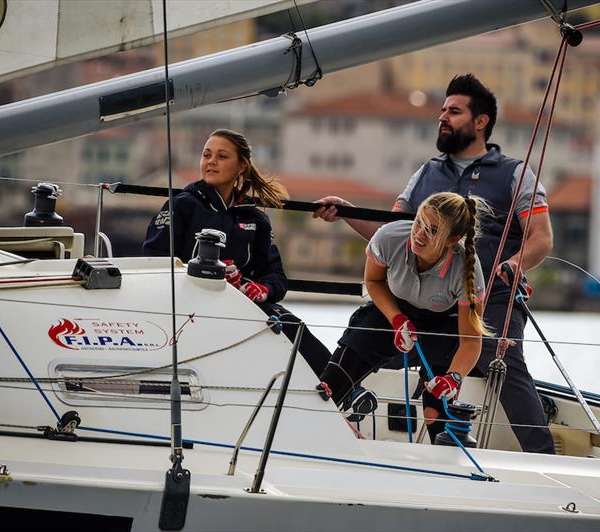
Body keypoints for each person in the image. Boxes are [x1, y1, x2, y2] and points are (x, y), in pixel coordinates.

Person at [313, 74, 556, 454]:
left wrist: (513, 264)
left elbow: (541, 236)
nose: (442, 117)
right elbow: (391, 234)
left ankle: (542, 455)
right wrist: (347, 212)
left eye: (454, 111)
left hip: (487, 296)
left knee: (501, 362)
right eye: (442, 110)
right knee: (375, 338)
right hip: (423, 297)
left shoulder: (515, 173)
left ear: (481, 122)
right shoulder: (426, 173)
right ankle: (350, 432)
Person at [142, 128, 333, 380]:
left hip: (242, 306)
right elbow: (154, 262)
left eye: (221, 156)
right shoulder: (182, 205)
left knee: (290, 325)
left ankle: (338, 389)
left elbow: (276, 277)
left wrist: (261, 290)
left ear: (241, 166)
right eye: (206, 154)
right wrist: (209, 275)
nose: (210, 161)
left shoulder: (255, 217)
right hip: (190, 307)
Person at [317, 192, 489, 442]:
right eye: (419, 222)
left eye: (432, 231)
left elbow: (471, 341)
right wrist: (397, 319)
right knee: (329, 387)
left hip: (443, 325)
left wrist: (452, 379)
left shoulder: (467, 271)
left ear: (452, 240)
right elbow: (374, 281)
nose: (419, 234)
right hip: (391, 311)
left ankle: (445, 470)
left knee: (434, 411)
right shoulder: (390, 237)